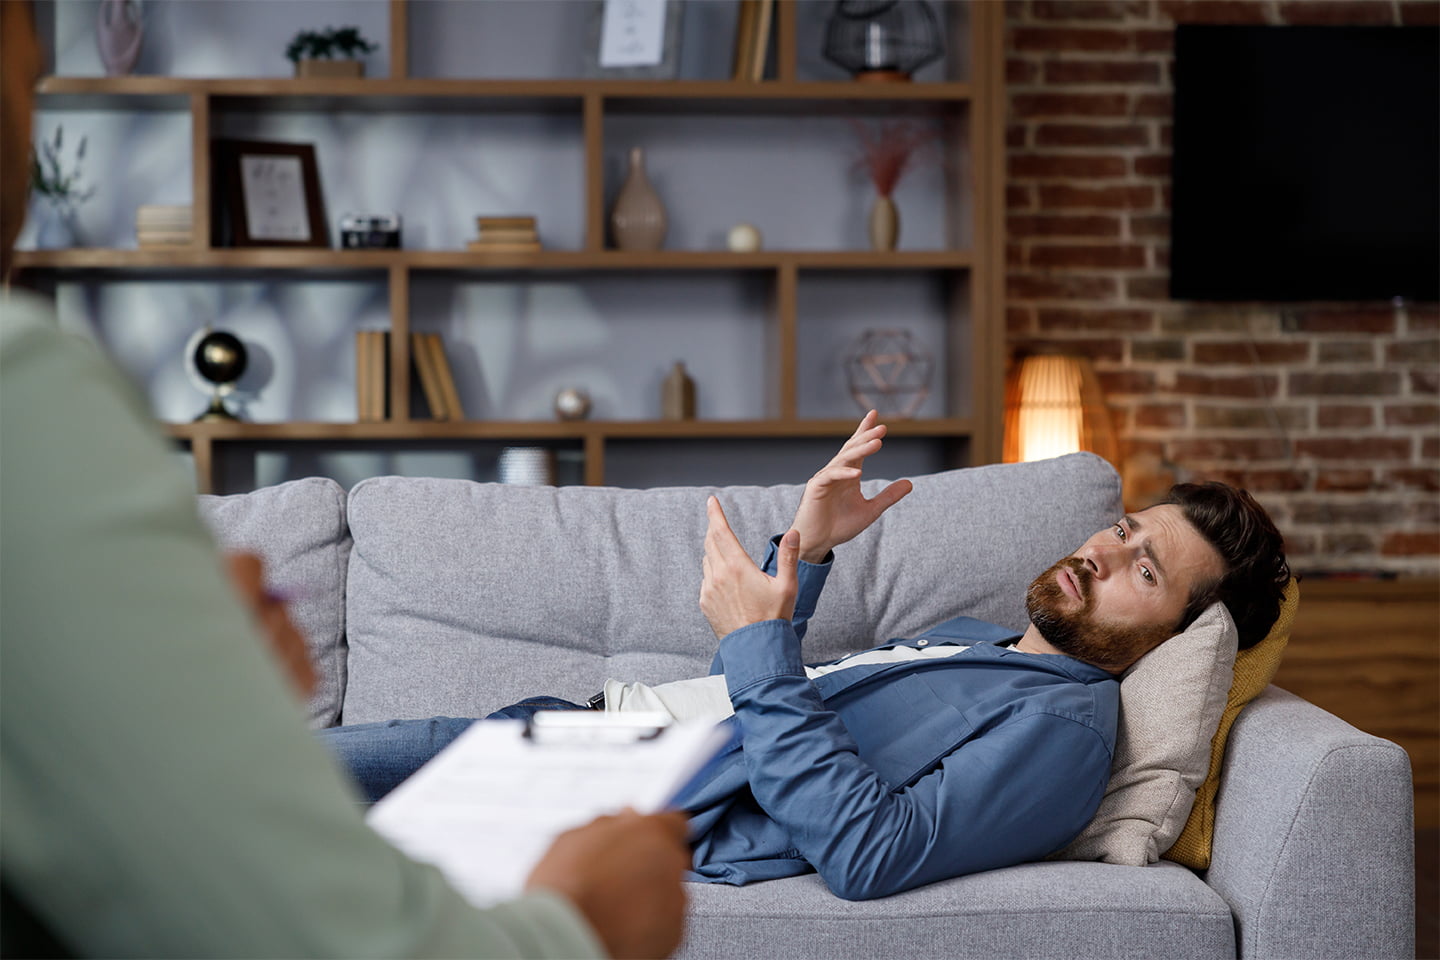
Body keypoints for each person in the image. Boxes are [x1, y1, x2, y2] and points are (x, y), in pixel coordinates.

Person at [0, 2, 690, 956]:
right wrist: (579, 927)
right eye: (29, 80)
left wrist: (196, 704)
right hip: (595, 742)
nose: (30, 129)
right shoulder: (21, 390)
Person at [321, 412, 1290, 901]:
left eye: (1146, 571)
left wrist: (752, 639)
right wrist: (810, 554)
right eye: (1123, 529)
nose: (1104, 550)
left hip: (612, 796)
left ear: (1177, 635)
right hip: (580, 735)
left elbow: (872, 851)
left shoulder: (1063, 729)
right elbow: (808, 703)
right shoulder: (982, 644)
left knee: (251, 807)